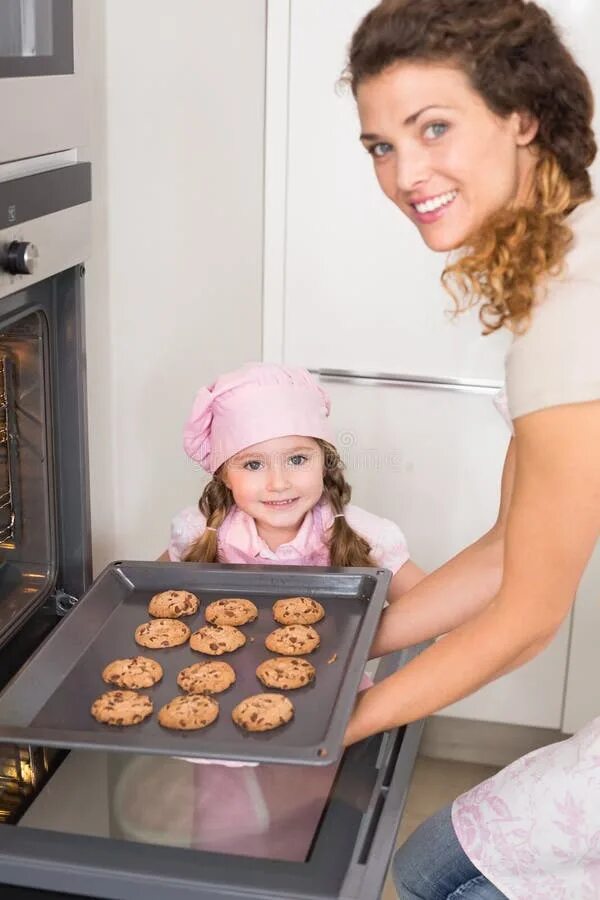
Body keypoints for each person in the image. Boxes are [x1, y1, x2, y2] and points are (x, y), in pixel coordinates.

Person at [340, 1, 600, 897]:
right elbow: (509, 545)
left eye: (434, 127)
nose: (406, 173)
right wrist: (350, 646)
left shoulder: (576, 315)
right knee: (424, 870)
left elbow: (529, 616)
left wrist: (328, 728)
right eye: (381, 145)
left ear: (521, 117)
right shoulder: (562, 264)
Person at [157, 361, 424, 856]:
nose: (278, 483)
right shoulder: (201, 530)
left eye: (297, 459)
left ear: (325, 461)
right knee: (219, 827)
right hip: (214, 712)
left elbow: (429, 603)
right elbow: (157, 601)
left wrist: (359, 645)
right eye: (253, 464)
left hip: (323, 713)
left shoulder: (363, 533)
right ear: (224, 474)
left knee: (301, 825)